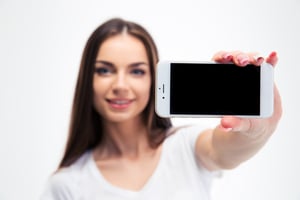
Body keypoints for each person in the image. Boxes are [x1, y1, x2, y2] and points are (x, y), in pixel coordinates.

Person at [40, 18, 282, 200]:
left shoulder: (186, 146)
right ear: (87, 80)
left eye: (137, 71)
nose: (120, 85)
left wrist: (258, 130)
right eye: (104, 70)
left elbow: (228, 149)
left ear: (153, 79)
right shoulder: (66, 185)